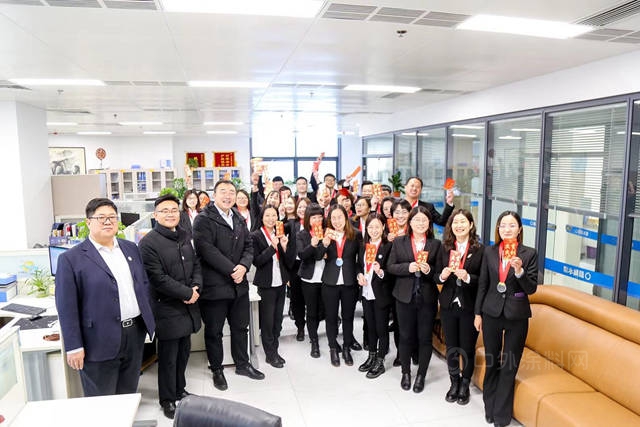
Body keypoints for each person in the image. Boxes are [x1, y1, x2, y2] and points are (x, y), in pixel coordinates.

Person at [55, 198, 155, 397]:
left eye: (112, 217)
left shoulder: (131, 248)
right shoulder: (71, 259)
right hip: (97, 340)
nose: (108, 222)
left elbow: (143, 285)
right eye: (101, 218)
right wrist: (74, 346)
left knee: (128, 395)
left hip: (134, 334)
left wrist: (148, 322)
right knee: (102, 402)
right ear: (88, 222)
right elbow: (67, 307)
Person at [193, 180, 264, 391]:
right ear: (214, 195)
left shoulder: (238, 217)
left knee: (240, 328)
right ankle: (217, 369)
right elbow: (207, 250)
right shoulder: (203, 219)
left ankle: (242, 364)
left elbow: (249, 246)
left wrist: (244, 266)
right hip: (215, 286)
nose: (228, 195)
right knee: (214, 331)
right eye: (223, 191)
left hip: (239, 286)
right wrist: (233, 270)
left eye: (231, 192)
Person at [138, 195, 201, 419]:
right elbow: (157, 278)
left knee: (184, 352)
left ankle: (179, 390)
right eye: (164, 211)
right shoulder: (148, 243)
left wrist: (196, 287)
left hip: (188, 306)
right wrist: (187, 293)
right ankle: (167, 399)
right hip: (166, 308)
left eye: (174, 210)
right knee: (168, 358)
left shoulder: (184, 235)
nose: (170, 214)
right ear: (155, 215)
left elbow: (196, 264)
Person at [474, 211, 539, 427]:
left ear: (519, 229)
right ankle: (489, 407)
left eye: (512, 225)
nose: (507, 229)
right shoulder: (490, 252)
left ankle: (501, 415)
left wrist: (519, 271)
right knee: (492, 361)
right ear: (498, 229)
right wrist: (477, 313)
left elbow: (531, 288)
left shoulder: (529, 254)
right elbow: (483, 284)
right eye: (503, 225)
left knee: (509, 365)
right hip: (491, 312)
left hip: (516, 315)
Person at [387, 206, 442, 393]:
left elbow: (439, 274)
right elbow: (391, 266)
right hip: (403, 296)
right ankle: (406, 373)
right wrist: (408, 267)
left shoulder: (435, 244)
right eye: (417, 220)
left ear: (429, 224)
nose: (420, 223)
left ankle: (421, 375)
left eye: (424, 220)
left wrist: (429, 270)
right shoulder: (399, 242)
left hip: (427, 298)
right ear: (410, 222)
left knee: (425, 338)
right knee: (405, 336)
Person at [437, 209, 484, 405]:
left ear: (471, 225)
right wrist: (442, 276)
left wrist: (467, 277)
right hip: (448, 305)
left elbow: (483, 280)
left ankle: (465, 384)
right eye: (455, 222)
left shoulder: (480, 250)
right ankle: (454, 382)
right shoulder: (445, 248)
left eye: (463, 222)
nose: (459, 225)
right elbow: (435, 276)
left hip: (469, 306)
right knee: (452, 347)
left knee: (467, 348)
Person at [251, 205, 294, 368]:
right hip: (266, 283)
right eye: (267, 215)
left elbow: (288, 261)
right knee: (267, 321)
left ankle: (274, 349)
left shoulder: (280, 232)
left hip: (280, 282)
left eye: (274, 215)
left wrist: (284, 246)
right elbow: (257, 261)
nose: (271, 219)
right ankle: (270, 354)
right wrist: (272, 247)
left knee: (278, 320)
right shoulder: (255, 236)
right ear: (262, 218)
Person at [321, 204, 360, 367]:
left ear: (346, 217)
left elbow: (360, 260)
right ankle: (332, 347)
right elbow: (317, 256)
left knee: (348, 317)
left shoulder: (356, 234)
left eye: (340, 217)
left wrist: (359, 274)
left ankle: (346, 348)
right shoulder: (326, 234)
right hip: (330, 281)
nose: (337, 221)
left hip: (349, 282)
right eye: (333, 218)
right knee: (330, 317)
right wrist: (324, 243)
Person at [356, 213, 392, 379]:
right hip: (366, 291)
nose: (374, 230)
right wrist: (359, 275)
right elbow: (359, 265)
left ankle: (380, 360)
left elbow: (392, 271)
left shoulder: (388, 246)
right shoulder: (364, 245)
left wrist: (380, 271)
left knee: (381, 328)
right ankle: (371, 356)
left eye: (377, 226)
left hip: (381, 293)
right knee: (370, 326)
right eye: (370, 227)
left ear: (383, 227)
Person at [296, 203, 326, 358]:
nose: (317, 221)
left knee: (325, 310)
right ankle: (314, 341)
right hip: (309, 278)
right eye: (314, 217)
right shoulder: (302, 234)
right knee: (312, 311)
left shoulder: (327, 232)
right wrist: (313, 246)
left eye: (320, 217)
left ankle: (331, 338)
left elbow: (326, 254)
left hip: (327, 277)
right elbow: (302, 255)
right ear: (308, 219)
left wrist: (322, 247)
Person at [287, 197, 310, 341]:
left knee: (312, 298)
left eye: (305, 207)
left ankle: (313, 326)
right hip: (295, 266)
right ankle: (300, 326)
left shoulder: (314, 224)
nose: (302, 209)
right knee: (296, 299)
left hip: (310, 264)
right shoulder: (292, 224)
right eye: (299, 207)